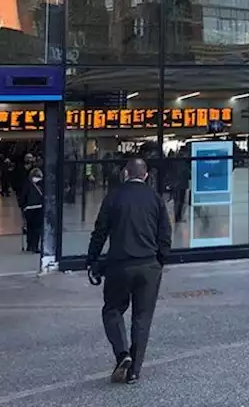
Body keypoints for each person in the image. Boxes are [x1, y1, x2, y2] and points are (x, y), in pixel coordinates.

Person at [87, 159, 172, 385]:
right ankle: (134, 370)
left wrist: (92, 260)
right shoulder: (155, 198)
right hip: (149, 265)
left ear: (125, 173)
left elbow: (100, 231)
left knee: (112, 310)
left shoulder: (114, 196)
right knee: (142, 318)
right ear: (145, 176)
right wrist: (160, 259)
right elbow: (165, 233)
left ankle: (122, 353)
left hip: (119, 264)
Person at [22, 167, 45, 253]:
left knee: (30, 227)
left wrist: (23, 207)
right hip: (39, 208)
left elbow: (23, 197)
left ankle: (29, 245)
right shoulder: (42, 184)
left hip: (28, 209)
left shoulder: (27, 184)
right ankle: (35, 246)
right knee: (37, 228)